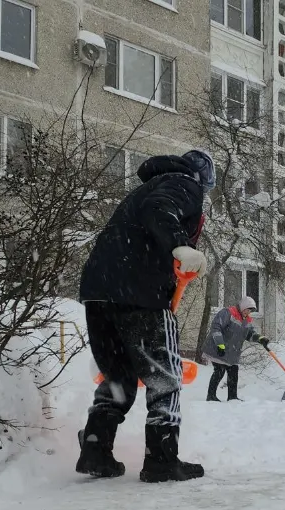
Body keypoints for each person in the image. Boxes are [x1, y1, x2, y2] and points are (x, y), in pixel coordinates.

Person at [75, 150, 213, 483]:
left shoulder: (143, 190)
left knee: (118, 377)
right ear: (204, 178)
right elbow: (160, 210)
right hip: (140, 293)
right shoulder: (182, 183)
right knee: (164, 375)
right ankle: (161, 460)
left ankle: (96, 451)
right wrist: (180, 243)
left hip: (99, 292)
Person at [202, 297, 270, 401]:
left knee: (233, 372)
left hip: (232, 352)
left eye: (250, 311)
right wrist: (220, 344)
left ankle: (232, 397)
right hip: (219, 349)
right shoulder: (228, 313)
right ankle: (211, 396)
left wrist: (260, 338)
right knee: (219, 371)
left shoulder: (246, 320)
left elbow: (250, 334)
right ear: (242, 307)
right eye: (247, 309)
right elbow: (216, 327)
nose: (248, 312)